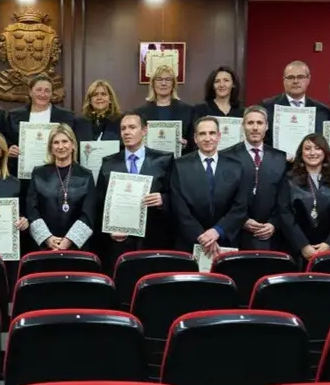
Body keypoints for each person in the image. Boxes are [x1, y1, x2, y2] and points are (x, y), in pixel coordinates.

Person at [95, 111, 173, 269]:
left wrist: (163, 200)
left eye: (132, 127)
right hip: (119, 240)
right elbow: (99, 202)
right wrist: (109, 230)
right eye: (123, 128)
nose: (126, 132)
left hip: (154, 238)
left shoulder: (164, 160)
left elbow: (178, 196)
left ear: (144, 131)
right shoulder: (109, 162)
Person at [169, 117, 247, 255]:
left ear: (219, 136)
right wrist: (203, 237)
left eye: (211, 133)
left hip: (225, 241)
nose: (207, 138)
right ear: (195, 138)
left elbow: (240, 207)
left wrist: (218, 231)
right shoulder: (180, 166)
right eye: (202, 134)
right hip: (190, 242)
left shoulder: (236, 167)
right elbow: (179, 208)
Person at [221, 106, 289, 250]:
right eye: (250, 123)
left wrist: (274, 223)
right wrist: (241, 220)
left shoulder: (280, 158)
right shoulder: (227, 157)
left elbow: (284, 198)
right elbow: (221, 197)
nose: (255, 128)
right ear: (243, 126)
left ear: (267, 126)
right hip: (236, 234)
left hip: (271, 235)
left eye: (259, 123)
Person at [278, 134, 330, 262]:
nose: (312, 153)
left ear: (325, 152)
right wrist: (303, 245)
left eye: (318, 148)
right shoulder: (289, 180)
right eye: (307, 148)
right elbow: (285, 214)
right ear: (301, 153)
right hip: (298, 251)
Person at [26, 124, 96, 251]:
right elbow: (32, 210)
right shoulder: (38, 174)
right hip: (44, 247)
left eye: (65, 141)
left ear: (73, 145)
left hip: (76, 248)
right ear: (51, 148)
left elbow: (88, 213)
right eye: (56, 142)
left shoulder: (86, 175)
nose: (60, 146)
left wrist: (69, 240)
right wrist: (48, 238)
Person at [6, 74, 77, 179]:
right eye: (38, 90)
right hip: (22, 176)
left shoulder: (66, 117)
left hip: (56, 176)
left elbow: (73, 143)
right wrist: (9, 149)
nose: (43, 94)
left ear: (52, 93)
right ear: (30, 92)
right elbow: (6, 140)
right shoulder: (14, 116)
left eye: (47, 91)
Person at [262, 61, 330, 151]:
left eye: (300, 77)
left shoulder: (322, 111)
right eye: (290, 77)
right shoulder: (266, 107)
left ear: (308, 79)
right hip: (278, 162)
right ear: (284, 80)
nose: (295, 81)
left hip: (311, 162)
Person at [74, 80, 122, 144]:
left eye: (103, 94)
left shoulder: (120, 121)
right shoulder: (79, 123)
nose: (99, 98)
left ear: (110, 99)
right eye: (95, 95)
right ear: (90, 101)